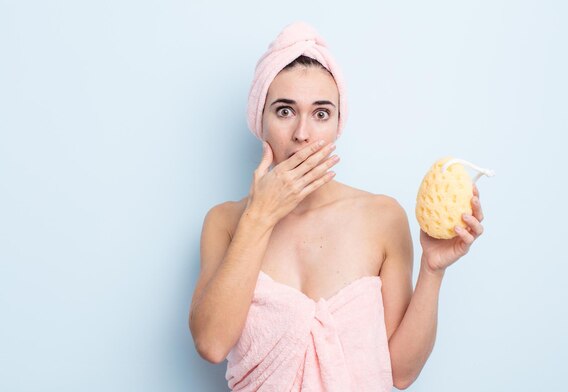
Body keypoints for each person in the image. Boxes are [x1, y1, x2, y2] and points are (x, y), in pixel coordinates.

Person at [188, 21, 485, 391]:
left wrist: (433, 269)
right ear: (259, 121)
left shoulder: (382, 217)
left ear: (338, 124)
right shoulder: (225, 222)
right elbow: (211, 344)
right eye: (284, 111)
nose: (302, 133)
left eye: (321, 113)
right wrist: (260, 216)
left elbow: (401, 373)